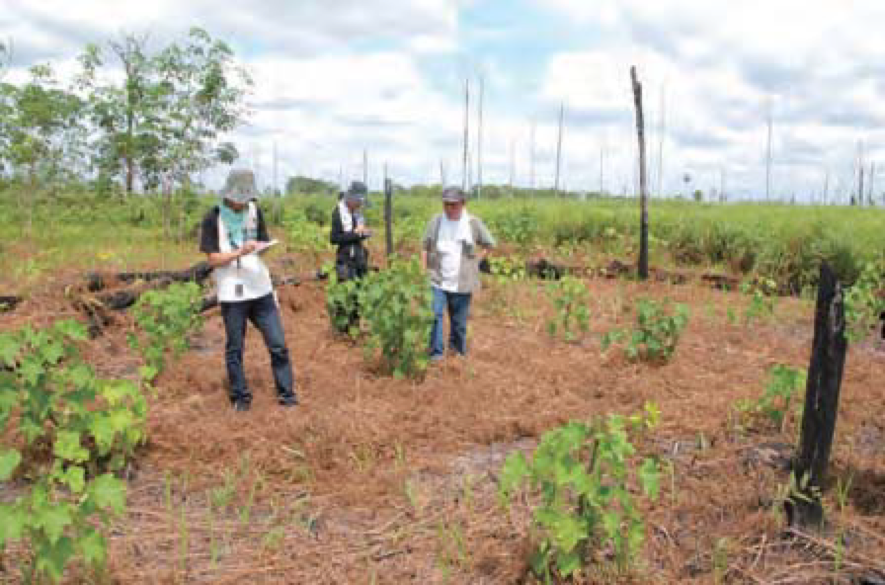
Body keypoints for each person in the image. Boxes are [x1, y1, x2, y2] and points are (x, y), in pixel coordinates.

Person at [199, 168, 297, 411]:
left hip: (260, 287)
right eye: (240, 198)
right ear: (229, 194)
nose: (243, 203)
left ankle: (287, 396)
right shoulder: (213, 218)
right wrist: (238, 252)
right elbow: (212, 259)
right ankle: (240, 398)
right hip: (233, 293)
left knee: (278, 344)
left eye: (247, 198)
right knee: (235, 348)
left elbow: (261, 242)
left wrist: (262, 246)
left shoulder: (254, 211)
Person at [420, 186, 495, 360]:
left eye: (453, 205)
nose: (449, 208)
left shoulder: (473, 223)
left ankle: (457, 352)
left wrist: (476, 261)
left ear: (463, 204)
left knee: (459, 323)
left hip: (462, 281)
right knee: (435, 316)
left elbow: (489, 244)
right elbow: (425, 246)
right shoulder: (436, 222)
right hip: (437, 279)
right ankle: (436, 354)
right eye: (446, 204)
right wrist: (423, 271)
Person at [329, 181, 371, 332]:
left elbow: (359, 233)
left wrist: (364, 234)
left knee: (358, 294)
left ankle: (354, 327)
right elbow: (334, 238)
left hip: (359, 258)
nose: (360, 205)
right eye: (358, 202)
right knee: (345, 293)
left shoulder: (357, 213)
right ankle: (342, 329)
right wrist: (355, 234)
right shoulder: (338, 212)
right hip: (345, 259)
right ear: (351, 199)